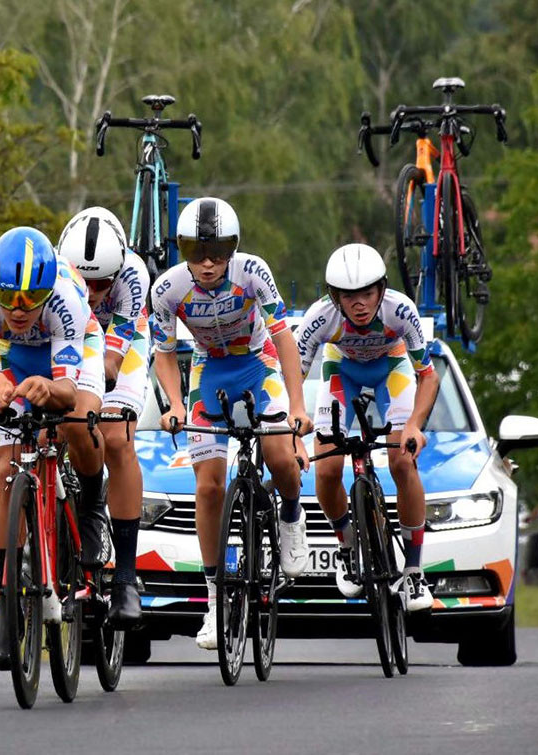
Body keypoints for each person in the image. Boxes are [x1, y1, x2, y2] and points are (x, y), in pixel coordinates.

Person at [150, 197, 311, 651]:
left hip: (257, 365)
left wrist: (297, 405)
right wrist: (176, 405)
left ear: (233, 249)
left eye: (217, 252)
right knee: (208, 487)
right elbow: (164, 352)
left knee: (281, 454)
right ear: (181, 250)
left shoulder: (253, 273)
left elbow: (282, 337)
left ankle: (292, 517)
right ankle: (216, 601)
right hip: (209, 370)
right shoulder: (167, 289)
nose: (206, 263)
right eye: (195, 252)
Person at [0, 226, 104, 669]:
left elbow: (65, 388)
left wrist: (51, 389)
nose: (18, 310)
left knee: (76, 422)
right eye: (8, 298)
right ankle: (8, 610)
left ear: (46, 289)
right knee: (6, 469)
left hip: (67, 354)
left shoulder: (67, 300)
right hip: (11, 358)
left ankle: (92, 508)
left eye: (30, 299)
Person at [297, 243, 440, 612]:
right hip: (341, 370)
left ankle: (413, 570)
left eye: (367, 293)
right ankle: (347, 547)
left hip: (390, 368)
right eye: (349, 295)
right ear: (335, 297)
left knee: (402, 462)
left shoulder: (401, 310)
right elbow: (291, 375)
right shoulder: (321, 317)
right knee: (327, 468)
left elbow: (429, 377)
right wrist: (294, 427)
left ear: (381, 290)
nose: (359, 303)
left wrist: (414, 426)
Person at [56, 206, 151, 627]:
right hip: (64, 336)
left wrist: (94, 386)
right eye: (85, 281)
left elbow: (111, 361)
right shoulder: (54, 272)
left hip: (119, 341)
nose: (92, 292)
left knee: (115, 437)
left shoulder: (132, 275)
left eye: (101, 284)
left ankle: (127, 578)